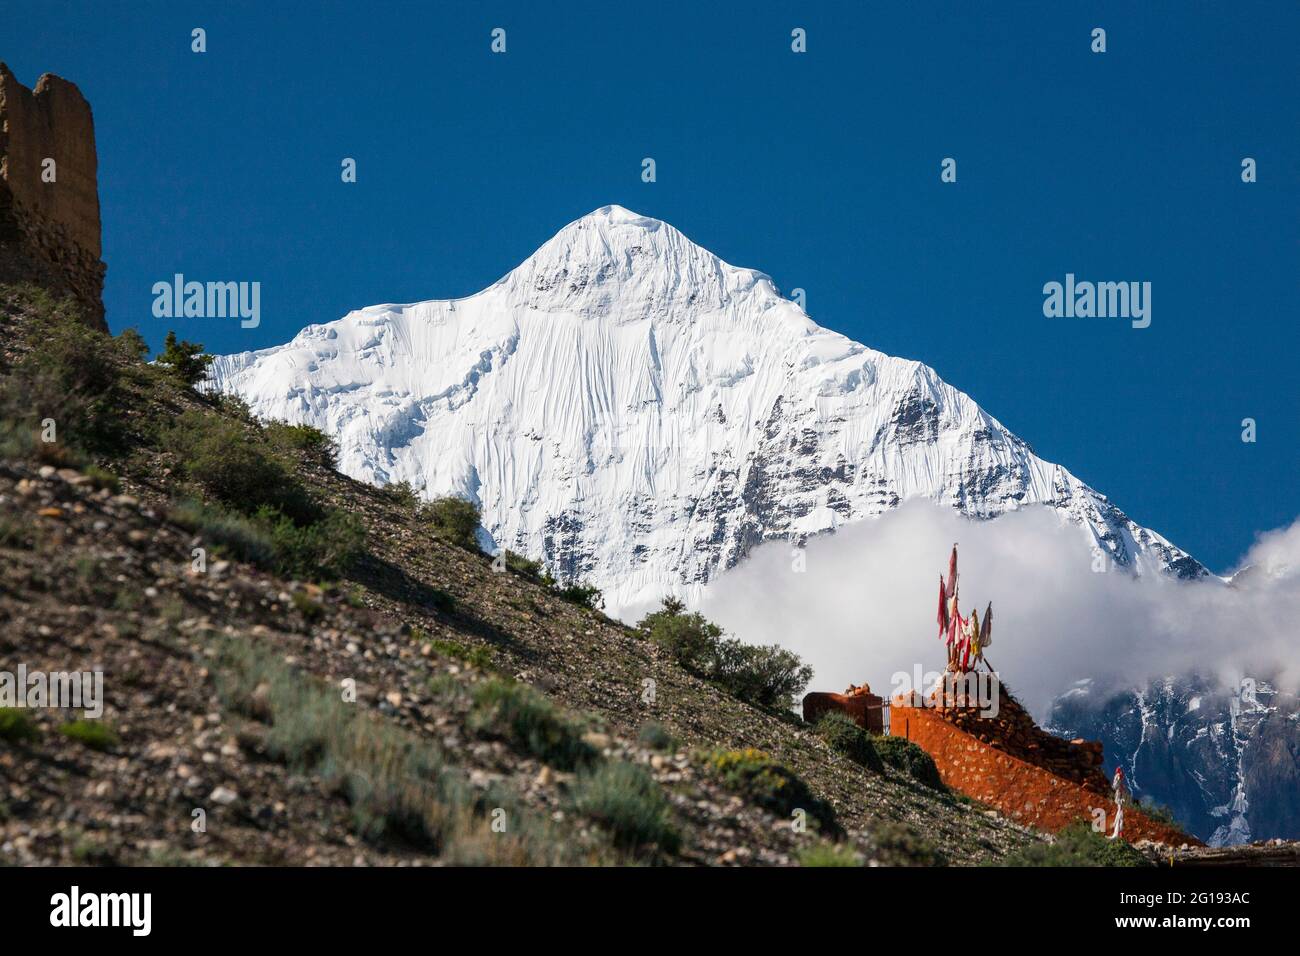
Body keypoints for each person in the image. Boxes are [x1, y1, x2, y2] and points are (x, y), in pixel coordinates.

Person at [1110, 766, 1129, 840]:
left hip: (1120, 795)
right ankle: (1118, 832)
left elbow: (1115, 786)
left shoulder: (1117, 777)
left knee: (1120, 813)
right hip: (1120, 795)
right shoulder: (1118, 778)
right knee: (1120, 813)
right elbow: (1115, 786)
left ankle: (1118, 833)